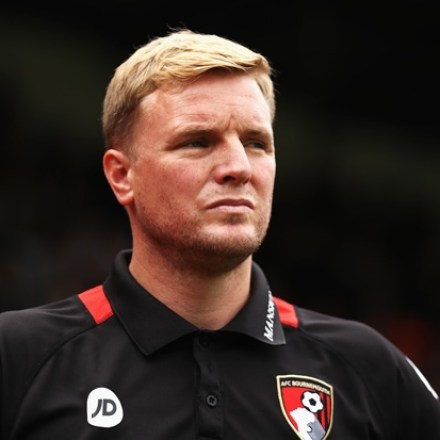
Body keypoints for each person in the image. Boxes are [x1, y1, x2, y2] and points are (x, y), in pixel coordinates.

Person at [0, 28, 439, 440]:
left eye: (256, 143)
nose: (239, 167)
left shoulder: (367, 367)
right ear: (122, 176)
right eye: (197, 142)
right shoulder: (19, 356)